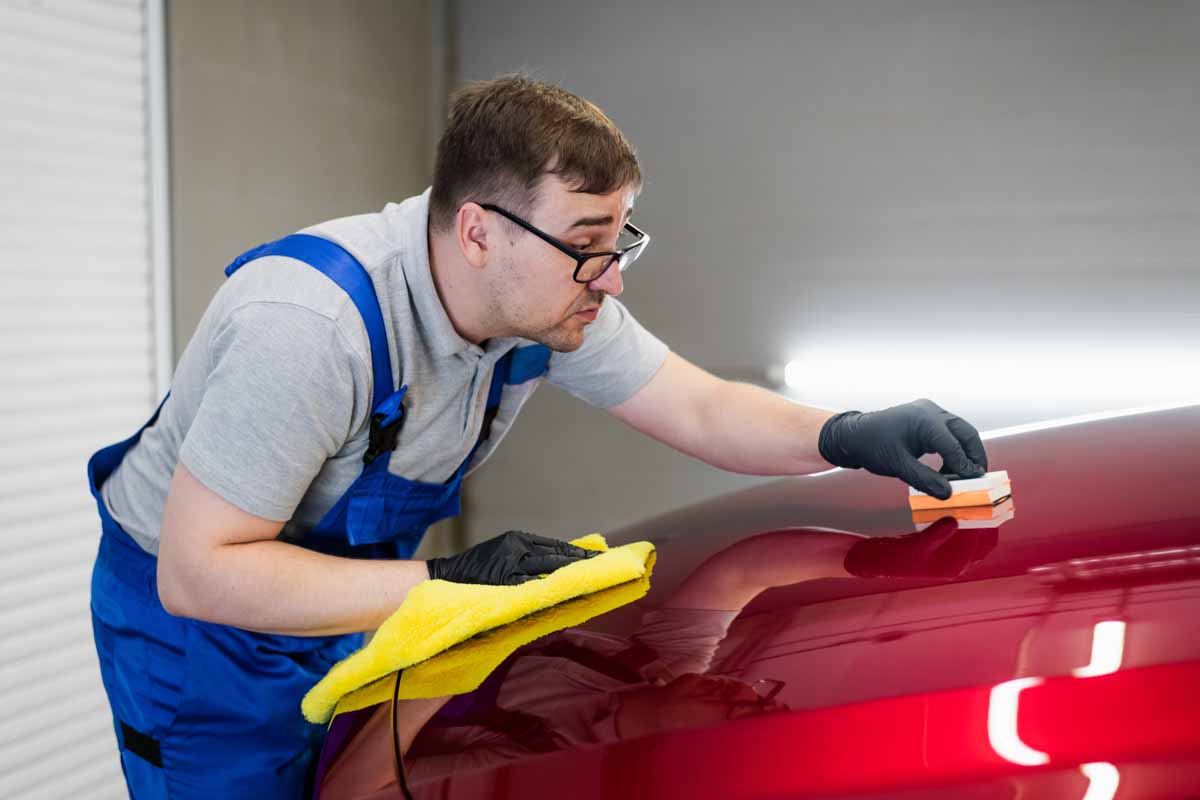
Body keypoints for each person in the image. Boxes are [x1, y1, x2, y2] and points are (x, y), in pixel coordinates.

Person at [87, 74, 990, 798]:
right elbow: (199, 572)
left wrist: (847, 431)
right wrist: (446, 582)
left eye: (620, 239)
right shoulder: (311, 327)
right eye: (587, 242)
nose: (612, 280)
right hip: (194, 635)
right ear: (479, 231)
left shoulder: (549, 298)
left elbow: (701, 408)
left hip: (335, 595)